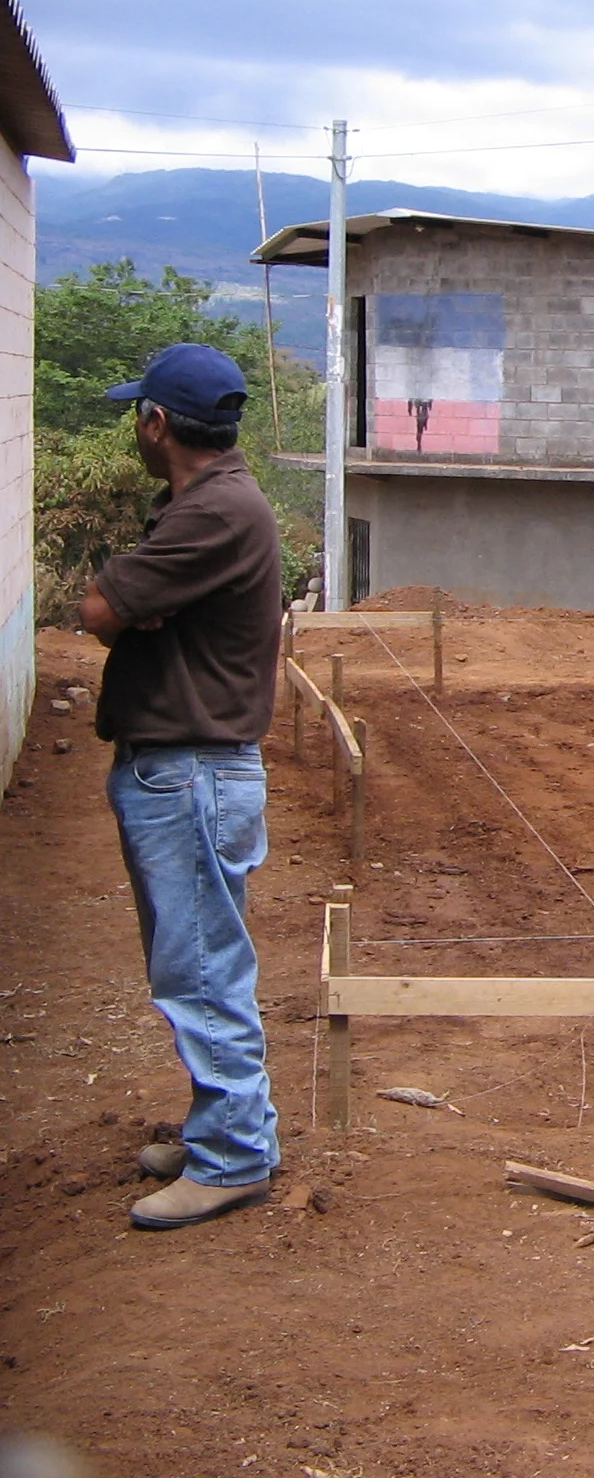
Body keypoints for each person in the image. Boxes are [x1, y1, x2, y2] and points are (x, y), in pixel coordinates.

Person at [81, 343, 282, 1230]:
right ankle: (222, 1129)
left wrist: (127, 606)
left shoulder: (212, 516)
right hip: (189, 772)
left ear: (156, 423)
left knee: (201, 973)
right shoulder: (206, 506)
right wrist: (132, 606)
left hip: (192, 773)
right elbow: (119, 609)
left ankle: (235, 1156)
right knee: (198, 963)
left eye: (138, 412)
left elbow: (98, 611)